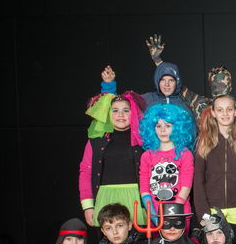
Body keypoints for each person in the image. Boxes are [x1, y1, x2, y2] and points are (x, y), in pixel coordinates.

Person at [80, 69, 146, 226]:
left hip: (136, 201)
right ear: (108, 114)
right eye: (115, 111)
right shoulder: (96, 141)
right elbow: (86, 172)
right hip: (105, 200)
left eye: (126, 110)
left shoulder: (143, 141)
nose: (120, 115)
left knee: (139, 241)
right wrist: (88, 206)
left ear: (133, 113)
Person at [193, 94, 236, 233]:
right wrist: (203, 214)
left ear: (235, 112)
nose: (225, 114)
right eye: (220, 110)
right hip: (213, 209)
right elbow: (198, 181)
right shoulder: (204, 140)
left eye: (229, 109)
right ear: (213, 113)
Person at [138, 104, 196, 223]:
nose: (162, 130)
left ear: (178, 127)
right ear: (152, 128)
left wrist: (172, 214)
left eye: (168, 126)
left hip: (180, 213)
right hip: (155, 215)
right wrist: (153, 215)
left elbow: (186, 187)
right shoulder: (147, 156)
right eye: (158, 126)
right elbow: (144, 189)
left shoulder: (185, 154)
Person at [100, 62, 190, 112]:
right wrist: (109, 84)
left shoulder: (185, 104)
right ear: (157, 81)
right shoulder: (146, 99)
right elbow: (117, 105)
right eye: (162, 80)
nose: (167, 84)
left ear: (177, 82)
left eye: (171, 80)